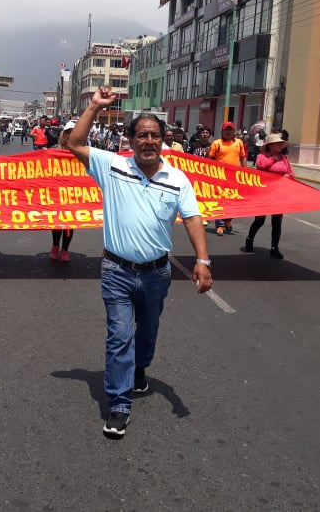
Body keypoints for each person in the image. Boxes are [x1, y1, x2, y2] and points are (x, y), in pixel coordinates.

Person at [68, 93, 213, 438]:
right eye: (142, 135)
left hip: (156, 274)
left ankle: (139, 370)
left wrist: (203, 260)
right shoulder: (112, 165)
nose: (148, 141)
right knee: (119, 337)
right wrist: (95, 107)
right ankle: (119, 405)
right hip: (116, 272)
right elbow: (74, 142)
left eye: (155, 136)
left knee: (147, 331)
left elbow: (193, 219)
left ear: (164, 141)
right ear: (130, 140)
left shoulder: (178, 180)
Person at [243, 134, 294, 259]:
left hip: (278, 194)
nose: (280, 146)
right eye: (278, 143)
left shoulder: (284, 158)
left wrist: (289, 177)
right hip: (264, 193)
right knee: (260, 220)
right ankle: (250, 239)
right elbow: (262, 166)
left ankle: (274, 247)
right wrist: (273, 159)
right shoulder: (262, 157)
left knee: (277, 222)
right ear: (270, 146)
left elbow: (291, 172)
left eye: (281, 144)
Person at [209, 122, 247, 236]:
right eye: (226, 130)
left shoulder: (239, 143)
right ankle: (220, 225)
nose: (229, 132)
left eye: (231, 130)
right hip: (220, 177)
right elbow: (209, 159)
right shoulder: (216, 143)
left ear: (234, 132)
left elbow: (243, 157)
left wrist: (246, 172)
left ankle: (228, 220)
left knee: (234, 200)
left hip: (235, 177)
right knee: (221, 201)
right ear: (222, 132)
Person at [50, 121, 77, 262]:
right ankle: (55, 246)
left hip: (74, 192)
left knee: (70, 223)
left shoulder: (81, 150)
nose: (70, 135)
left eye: (73, 132)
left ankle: (65, 249)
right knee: (56, 222)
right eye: (68, 132)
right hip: (56, 191)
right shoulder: (55, 148)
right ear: (63, 134)